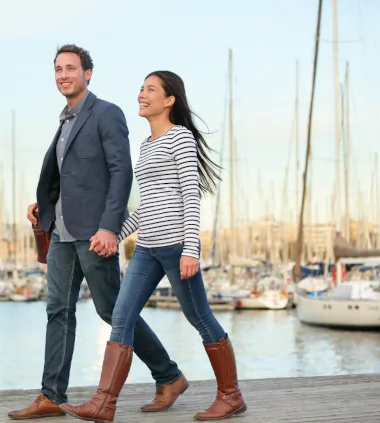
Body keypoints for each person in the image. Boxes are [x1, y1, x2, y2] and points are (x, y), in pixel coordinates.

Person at [8, 46, 185, 420]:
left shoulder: (107, 114)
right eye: (58, 69)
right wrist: (45, 205)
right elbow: (69, 178)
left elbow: (122, 172)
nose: (63, 75)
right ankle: (51, 395)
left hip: (95, 234)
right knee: (58, 310)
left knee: (111, 311)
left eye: (71, 68)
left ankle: (169, 376)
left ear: (88, 73)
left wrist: (109, 228)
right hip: (60, 232)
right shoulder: (64, 121)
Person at [59, 71, 247, 422]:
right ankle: (104, 403)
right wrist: (117, 234)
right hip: (146, 248)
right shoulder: (146, 146)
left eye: (150, 90)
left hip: (177, 247)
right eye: (141, 89)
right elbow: (147, 206)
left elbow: (191, 197)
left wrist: (193, 249)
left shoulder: (181, 139)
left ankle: (231, 396)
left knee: (199, 317)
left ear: (169, 99)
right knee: (121, 315)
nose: (141, 95)